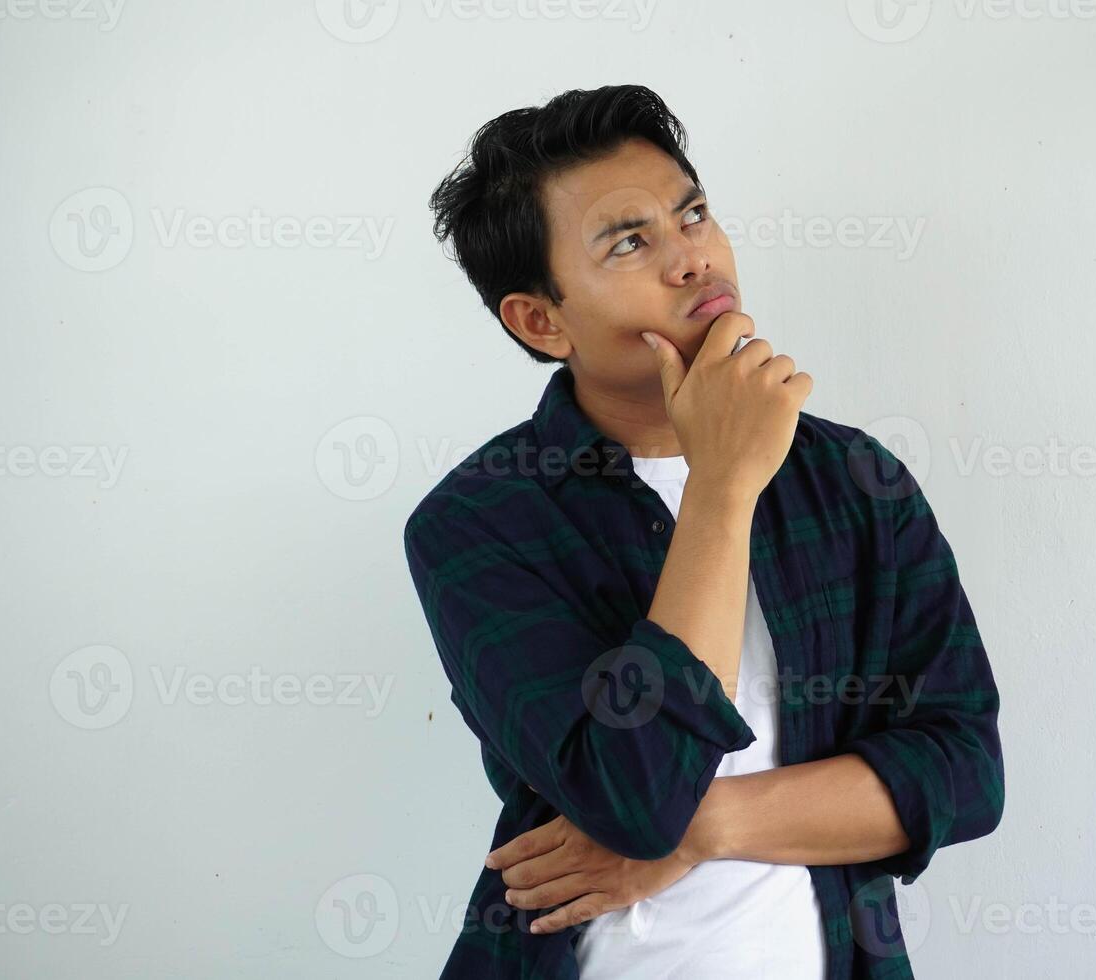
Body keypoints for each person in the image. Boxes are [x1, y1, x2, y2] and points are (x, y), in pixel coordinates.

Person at [404, 83, 1004, 980]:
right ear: (541, 319)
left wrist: (708, 828)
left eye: (693, 215)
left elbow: (963, 773)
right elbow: (635, 795)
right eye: (630, 241)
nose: (693, 259)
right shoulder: (480, 523)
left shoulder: (854, 481)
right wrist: (721, 487)